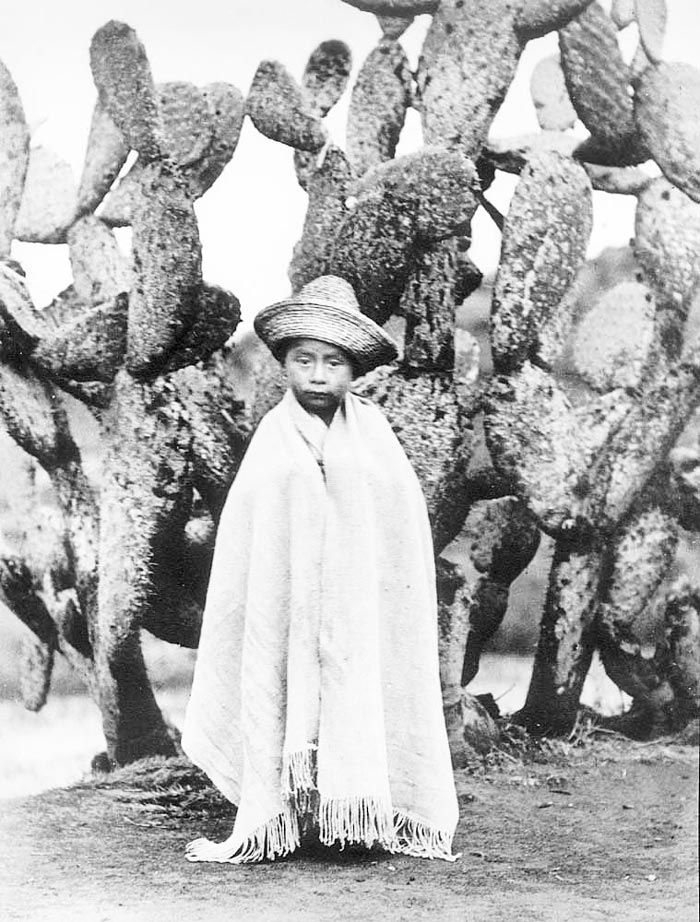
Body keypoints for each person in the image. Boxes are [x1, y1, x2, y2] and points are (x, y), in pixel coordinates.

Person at [181, 275, 459, 863]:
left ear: (354, 370)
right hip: (289, 602)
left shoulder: (376, 436)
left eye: (333, 362)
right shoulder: (272, 441)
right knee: (282, 678)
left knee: (357, 679)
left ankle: (358, 809)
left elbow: (398, 531)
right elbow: (250, 542)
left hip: (358, 605)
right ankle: (288, 811)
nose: (316, 374)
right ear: (284, 363)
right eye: (303, 359)